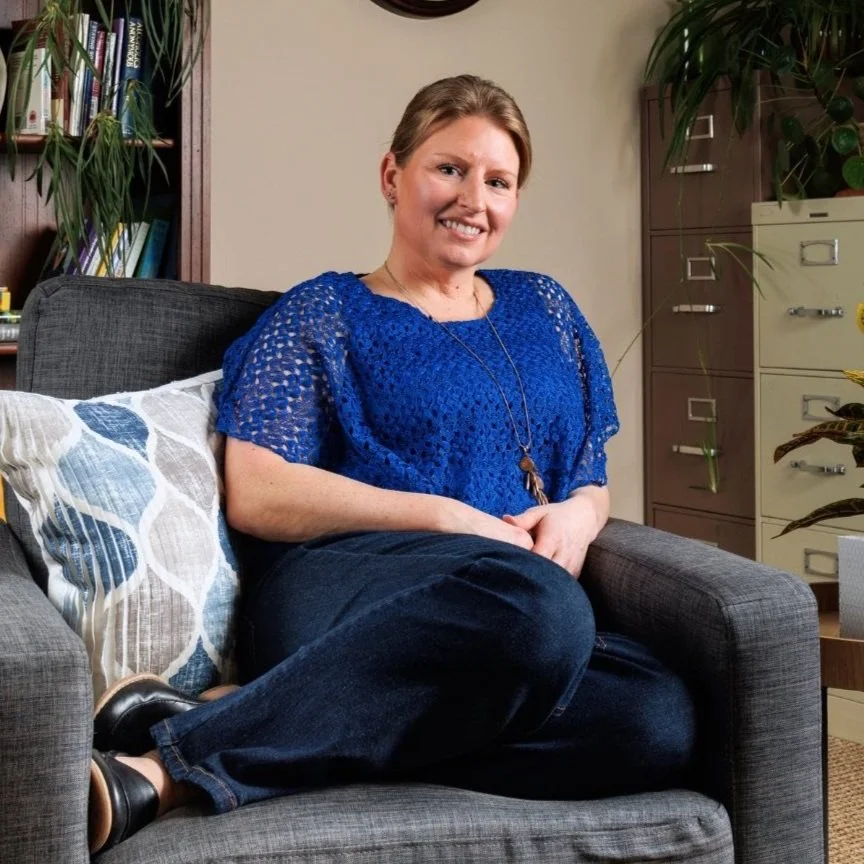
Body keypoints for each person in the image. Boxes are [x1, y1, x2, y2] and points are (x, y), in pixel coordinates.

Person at [87, 74, 696, 854]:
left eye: (498, 181)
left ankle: (249, 716)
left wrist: (580, 515)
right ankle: (160, 772)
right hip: (347, 588)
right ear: (392, 175)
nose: (473, 199)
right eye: (450, 169)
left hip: (497, 622)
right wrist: (448, 518)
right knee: (542, 611)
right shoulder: (326, 312)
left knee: (655, 718)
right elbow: (257, 490)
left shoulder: (545, 308)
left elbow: (586, 472)